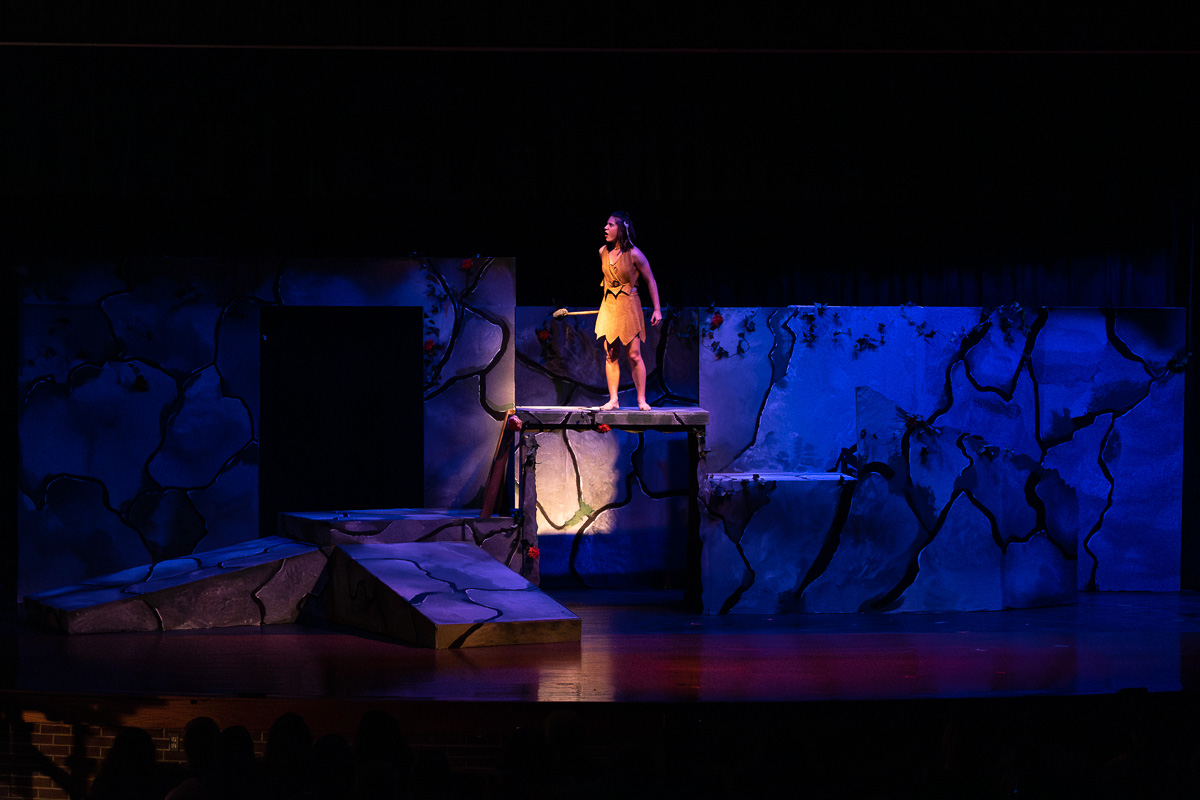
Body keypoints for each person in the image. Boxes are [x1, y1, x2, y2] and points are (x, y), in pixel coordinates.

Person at [594, 211, 662, 410]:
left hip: (629, 305)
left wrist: (657, 309)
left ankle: (641, 399)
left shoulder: (634, 253)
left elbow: (650, 280)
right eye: (606, 225)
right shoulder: (602, 252)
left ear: (621, 228)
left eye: (610, 225)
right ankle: (613, 400)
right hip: (609, 306)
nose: (605, 228)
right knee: (611, 353)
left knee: (633, 354)